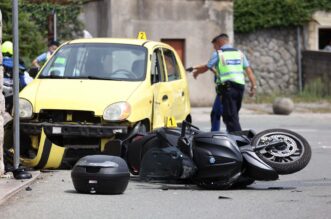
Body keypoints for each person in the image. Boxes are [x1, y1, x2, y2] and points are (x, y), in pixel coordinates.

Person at [192, 33, 256, 132]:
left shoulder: (219, 54)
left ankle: (239, 140)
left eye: (215, 46)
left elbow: (207, 67)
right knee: (233, 115)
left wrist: (197, 72)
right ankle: (232, 137)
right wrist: (253, 87)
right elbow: (250, 72)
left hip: (227, 88)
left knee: (230, 117)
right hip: (240, 88)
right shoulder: (239, 53)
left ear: (219, 42)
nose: (215, 48)